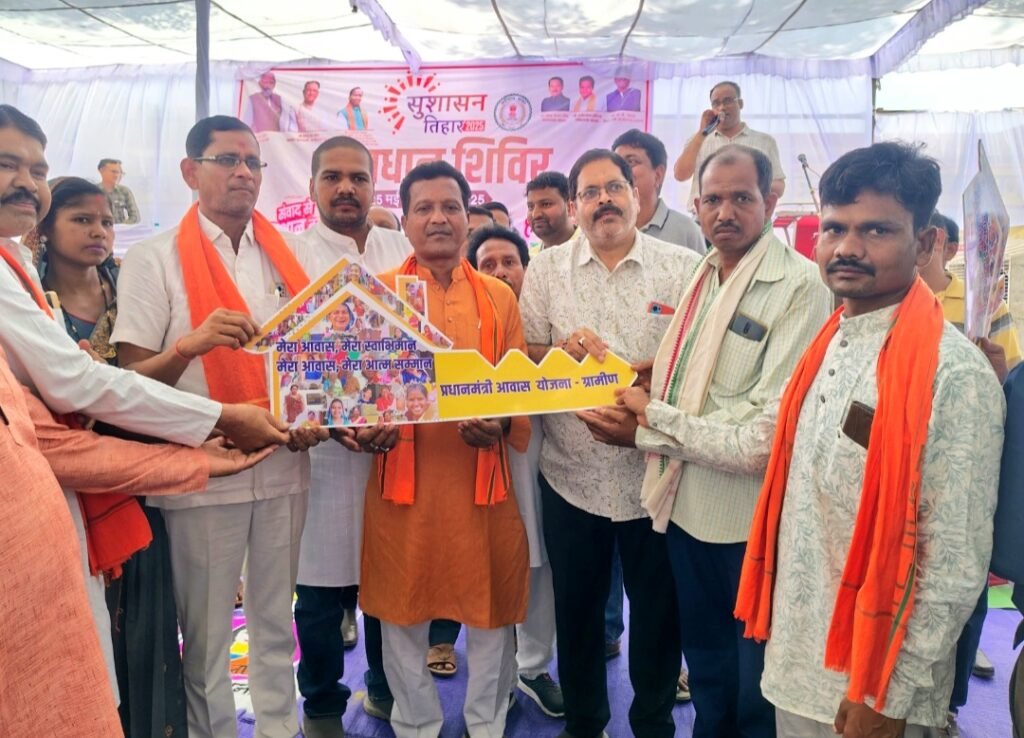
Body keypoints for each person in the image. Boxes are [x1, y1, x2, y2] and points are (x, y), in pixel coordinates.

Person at [731, 141, 1004, 737]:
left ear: (926, 244)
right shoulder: (828, 339)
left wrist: (887, 694)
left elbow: (954, 561)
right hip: (797, 662)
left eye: (876, 230)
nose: (847, 247)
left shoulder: (953, 374)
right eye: (835, 228)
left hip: (875, 687)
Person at [112, 115, 330, 738]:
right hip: (202, 470)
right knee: (206, 637)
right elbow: (130, 379)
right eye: (227, 160)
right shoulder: (153, 259)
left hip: (285, 463)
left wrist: (315, 416)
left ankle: (280, 728)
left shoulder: (292, 255)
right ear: (191, 171)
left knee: (275, 622)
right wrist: (189, 345)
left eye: (252, 162)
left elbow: (316, 359)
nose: (243, 173)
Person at [604, 143, 832, 738]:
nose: (725, 212)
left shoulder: (799, 286)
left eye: (741, 198)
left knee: (752, 684)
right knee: (707, 670)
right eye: (712, 200)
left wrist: (651, 422)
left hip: (747, 525)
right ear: (697, 206)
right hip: (686, 509)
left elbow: (761, 440)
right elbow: (695, 373)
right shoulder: (705, 271)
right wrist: (655, 376)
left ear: (771, 201)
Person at [519, 148, 702, 738]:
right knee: (577, 616)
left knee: (658, 617)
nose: (605, 200)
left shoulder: (683, 268)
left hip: (657, 478)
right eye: (591, 192)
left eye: (615, 187)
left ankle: (653, 723)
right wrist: (558, 355)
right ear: (574, 206)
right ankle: (584, 724)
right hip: (571, 478)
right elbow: (526, 356)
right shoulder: (546, 271)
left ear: (637, 194)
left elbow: (699, 365)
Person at [0, 348, 277, 738]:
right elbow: (74, 391)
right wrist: (214, 422)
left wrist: (194, 456)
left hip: (58, 574)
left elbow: (51, 435)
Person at [358, 160, 531, 738]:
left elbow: (517, 386)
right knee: (400, 613)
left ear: (466, 217)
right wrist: (366, 429)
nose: (438, 218)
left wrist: (501, 425)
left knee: (491, 614)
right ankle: (415, 723)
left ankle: (486, 722)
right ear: (405, 221)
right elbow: (355, 392)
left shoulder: (499, 298)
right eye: (424, 208)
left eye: (450, 207)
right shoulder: (376, 296)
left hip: (482, 484)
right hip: (403, 487)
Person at [29, 175, 194, 738]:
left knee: (145, 618)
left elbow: (150, 382)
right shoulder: (30, 301)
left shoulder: (131, 289)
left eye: (105, 221)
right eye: (81, 219)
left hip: (138, 473)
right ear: (45, 228)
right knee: (84, 622)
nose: (98, 231)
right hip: (65, 480)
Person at [291, 136, 413, 734]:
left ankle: (386, 688)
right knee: (317, 590)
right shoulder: (291, 256)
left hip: (396, 447)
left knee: (388, 582)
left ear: (373, 185)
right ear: (312, 186)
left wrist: (400, 414)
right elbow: (289, 352)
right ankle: (321, 703)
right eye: (332, 177)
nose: (346, 188)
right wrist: (331, 419)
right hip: (321, 452)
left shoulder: (402, 250)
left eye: (358, 178)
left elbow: (419, 343)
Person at [920, 209, 1021, 735]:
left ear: (945, 246)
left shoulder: (987, 307)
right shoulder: (890, 301)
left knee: (967, 589)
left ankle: (950, 705)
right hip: (913, 463)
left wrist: (997, 376)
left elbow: (1010, 386)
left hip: (969, 466)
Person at [467, 224, 565, 718]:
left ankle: (533, 667)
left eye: (510, 262)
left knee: (537, 562)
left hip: (538, 458)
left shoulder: (547, 317)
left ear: (528, 268)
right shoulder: (467, 320)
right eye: (488, 264)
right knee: (486, 563)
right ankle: (496, 675)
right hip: (478, 457)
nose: (501, 271)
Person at [673, 81, 786, 207]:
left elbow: (778, 186)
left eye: (727, 101)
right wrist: (701, 133)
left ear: (740, 104)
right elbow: (680, 175)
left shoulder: (764, 141)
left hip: (748, 214)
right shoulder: (698, 140)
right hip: (704, 215)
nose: (722, 107)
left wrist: (749, 188)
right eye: (716, 103)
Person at [613, 128, 705, 254]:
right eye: (616, 164)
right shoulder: (605, 227)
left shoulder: (686, 231)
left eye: (631, 162)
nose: (620, 171)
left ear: (658, 175)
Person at [526, 171, 576, 249]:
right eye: (530, 207)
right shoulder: (529, 255)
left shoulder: (592, 247)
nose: (535, 214)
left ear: (569, 207)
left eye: (546, 204)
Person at [97, 157, 140, 224]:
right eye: (114, 172)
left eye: (120, 173)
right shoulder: (92, 191)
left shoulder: (124, 191)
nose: (117, 175)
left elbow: (135, 216)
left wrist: (122, 226)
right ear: (102, 171)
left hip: (121, 229)